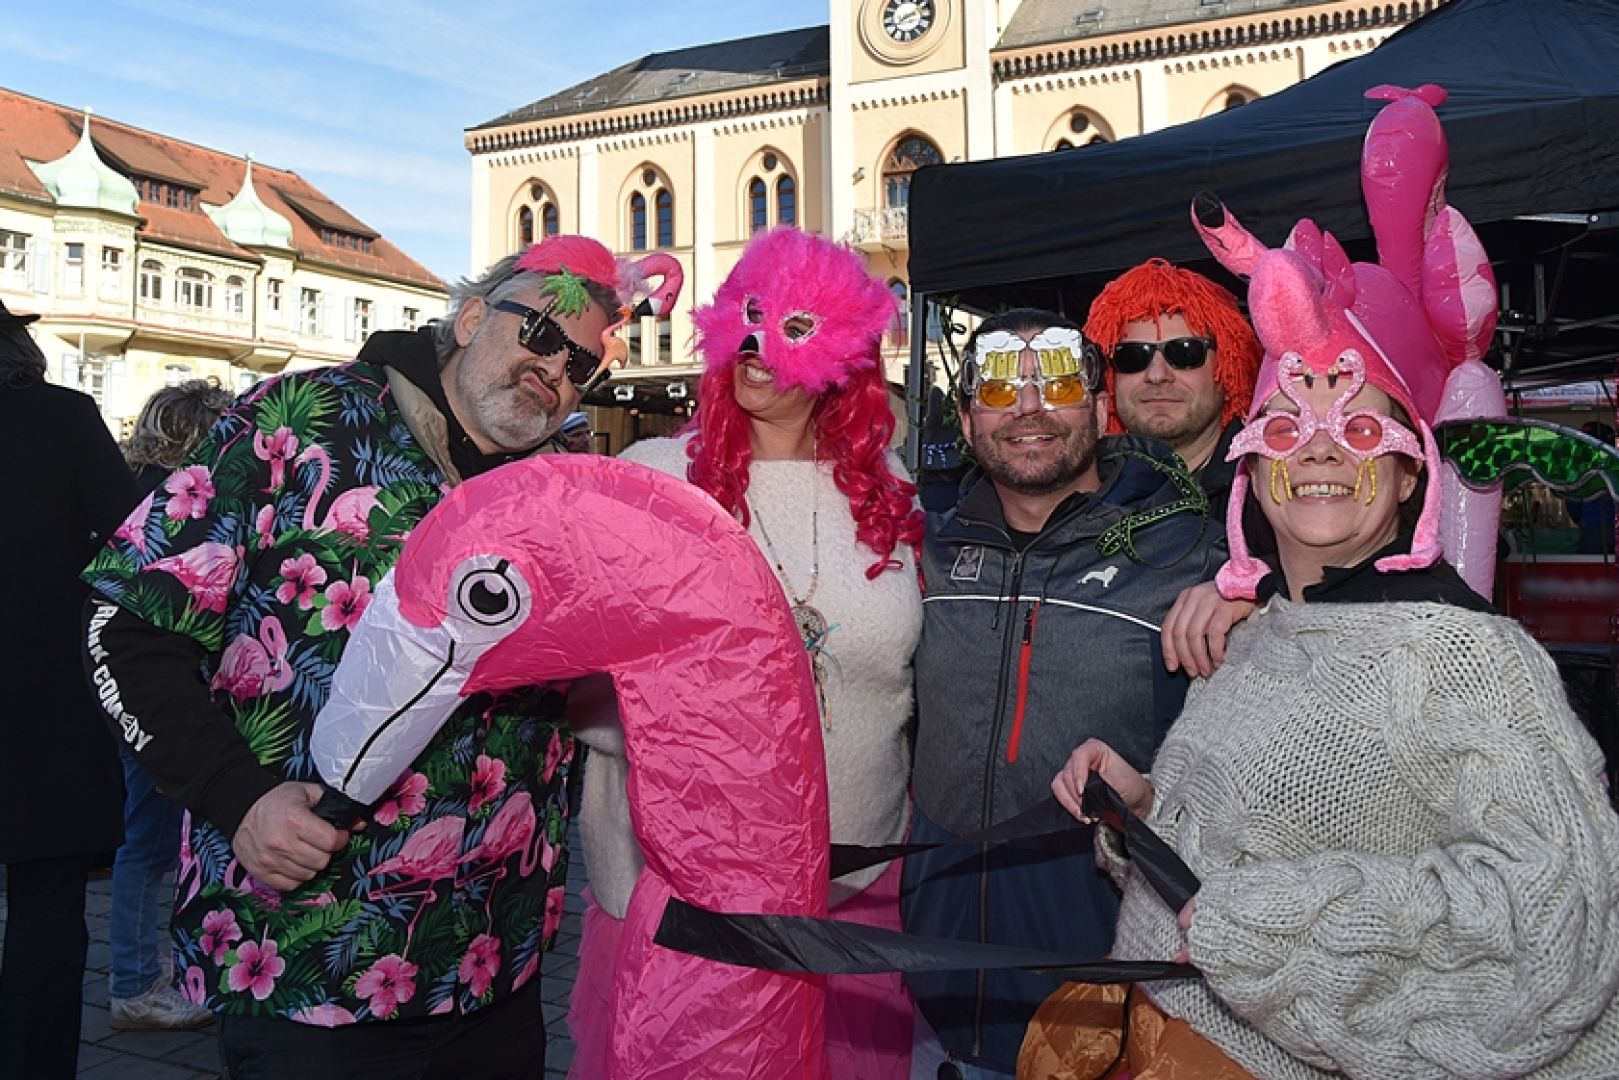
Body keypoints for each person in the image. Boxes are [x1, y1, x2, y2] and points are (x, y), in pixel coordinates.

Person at [1031, 228, 1619, 1079]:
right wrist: (1145, 810)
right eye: (1283, 425)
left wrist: (1260, 922)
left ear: (1411, 470)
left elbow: (1551, 915)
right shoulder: (1265, 628)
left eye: (1357, 426)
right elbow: (1253, 848)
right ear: (1249, 468)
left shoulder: (1463, 655)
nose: (1316, 449)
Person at [79, 236, 623, 1079]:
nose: (554, 370)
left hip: (495, 966)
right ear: (473, 317)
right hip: (307, 961)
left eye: (580, 366)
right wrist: (238, 797)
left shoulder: (557, 496)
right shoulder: (296, 424)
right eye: (542, 336)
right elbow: (121, 624)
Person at [566, 226, 924, 1078]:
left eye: (795, 326)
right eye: (751, 316)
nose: (760, 345)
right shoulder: (654, 476)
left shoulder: (887, 491)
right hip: (684, 894)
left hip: (849, 882)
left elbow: (900, 679)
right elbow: (579, 680)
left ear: (846, 354)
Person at [903, 307, 1223, 1077]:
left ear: (1099, 405)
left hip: (1104, 1014)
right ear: (969, 417)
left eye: (1057, 386)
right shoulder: (924, 547)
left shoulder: (1187, 553)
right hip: (930, 1001)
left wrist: (1250, 585)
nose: (1029, 412)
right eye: (1000, 392)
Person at [0, 298, 140, 1079]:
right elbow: (132, 544)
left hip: (42, 702)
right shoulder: (61, 418)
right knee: (48, 914)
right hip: (43, 703)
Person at [107, 378, 234, 1032]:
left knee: (151, 836)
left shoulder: (130, 487)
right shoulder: (174, 499)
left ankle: (145, 974)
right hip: (166, 695)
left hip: (144, 691)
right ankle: (134, 983)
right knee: (152, 840)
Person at [1084, 257, 1261, 508]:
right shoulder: (1080, 492)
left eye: (1185, 352)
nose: (1157, 375)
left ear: (1230, 366)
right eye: (1132, 357)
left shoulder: (1269, 491)